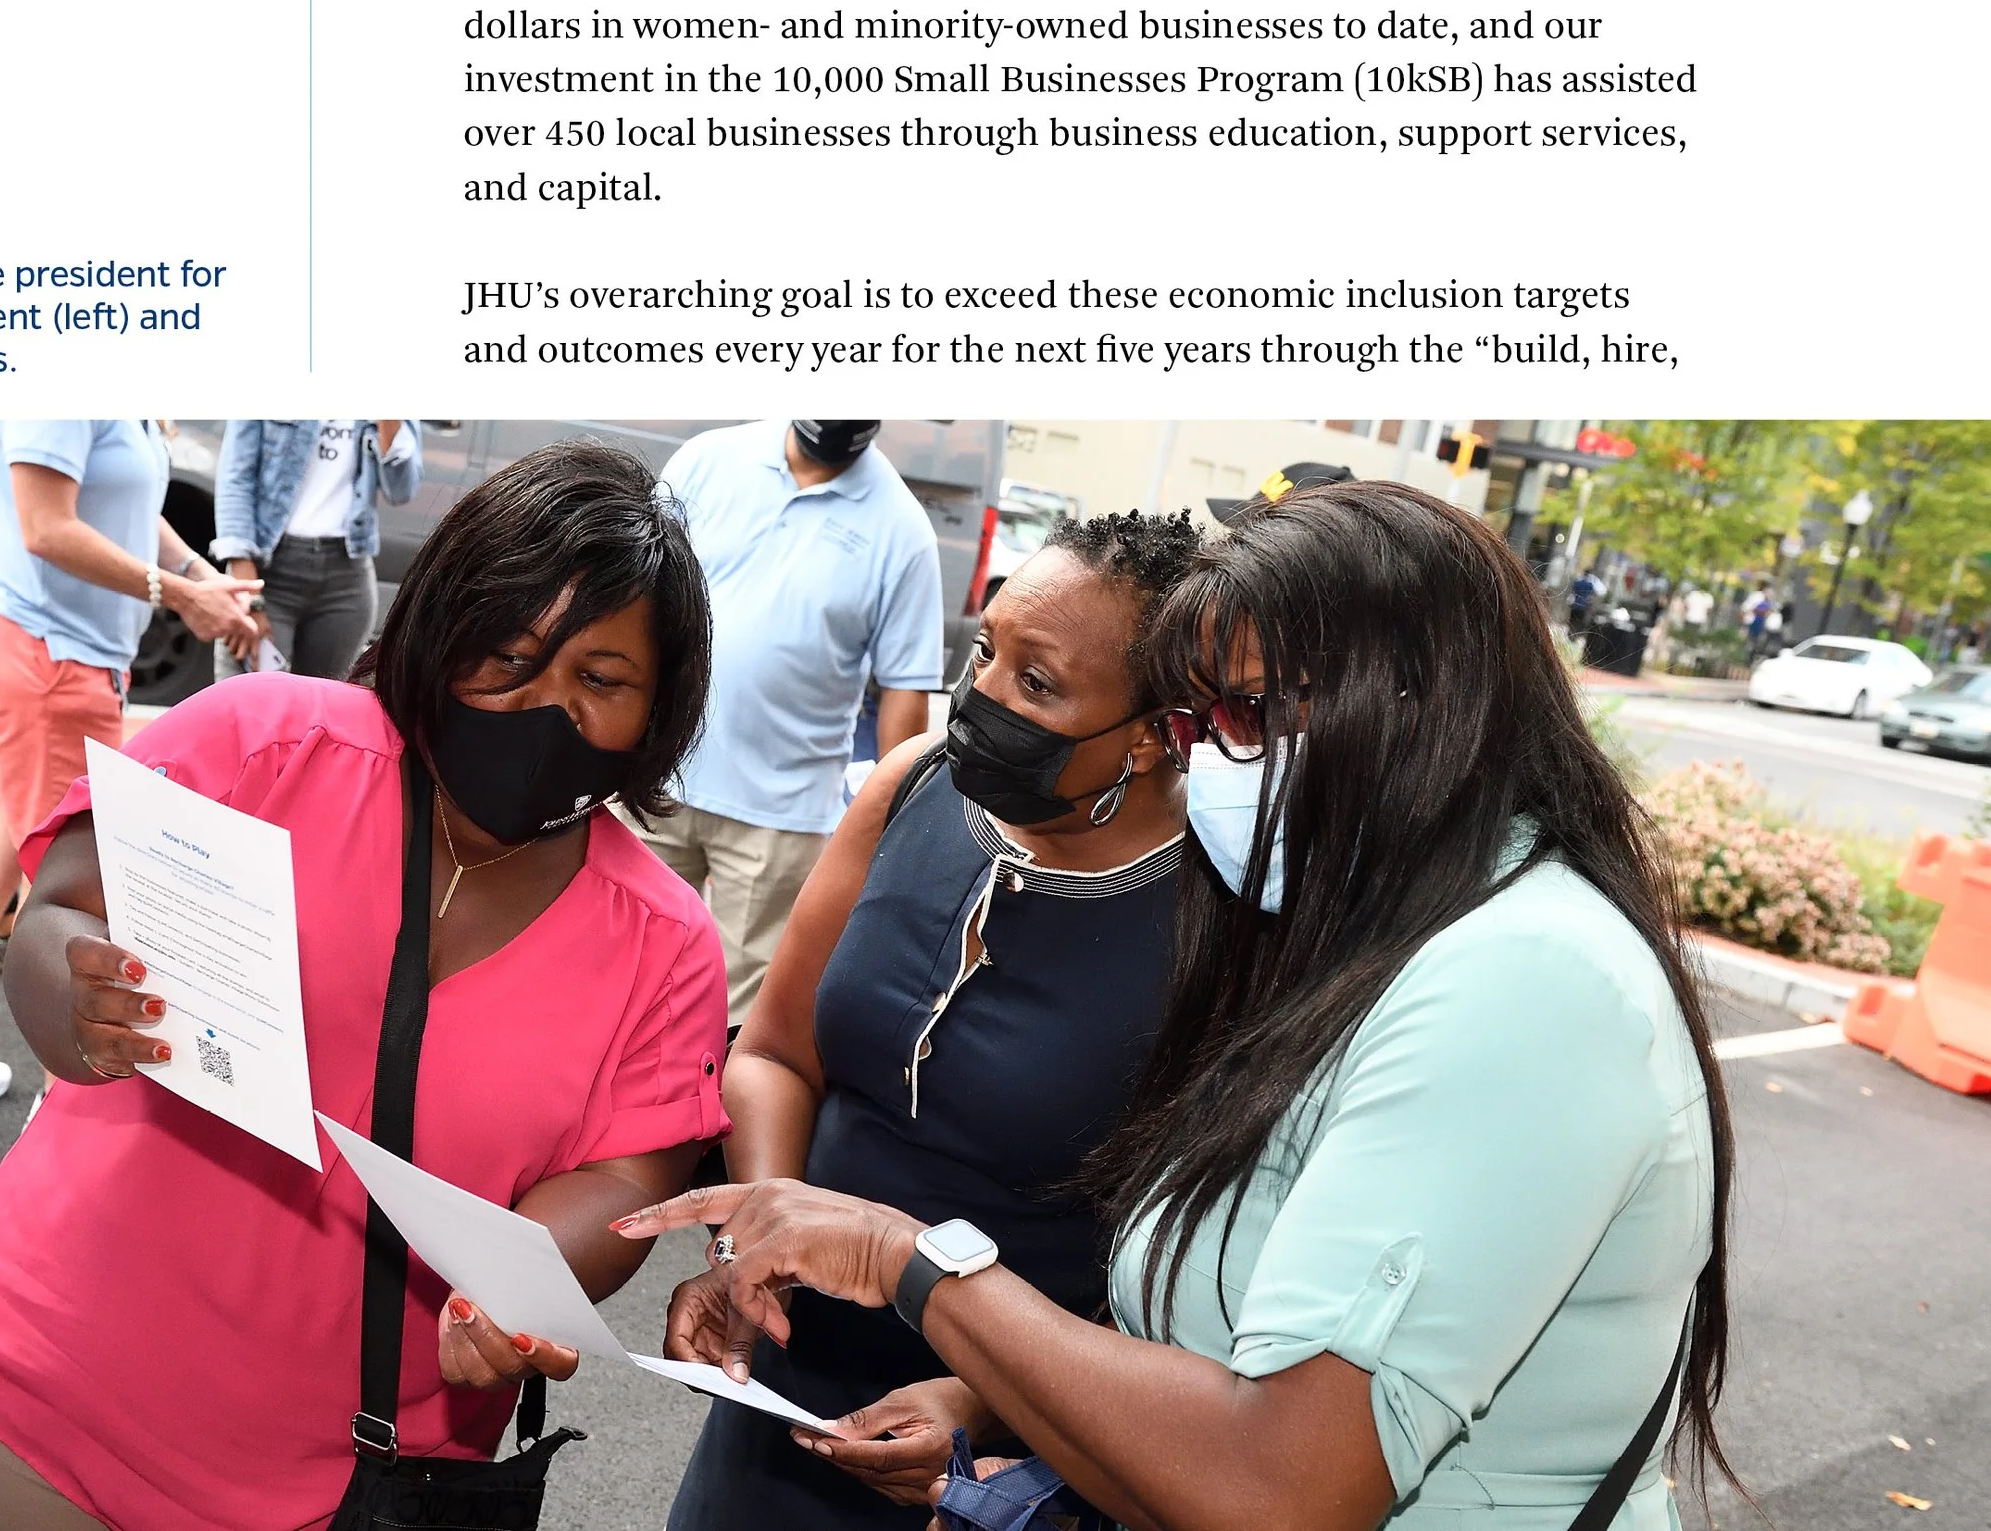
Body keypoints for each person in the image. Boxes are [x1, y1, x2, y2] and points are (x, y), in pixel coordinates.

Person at [619, 477, 1735, 1531]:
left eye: (1244, 716)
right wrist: (997, 1397)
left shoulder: (1520, 984)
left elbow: (1278, 1484)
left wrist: (908, 1262)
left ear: (1417, 710)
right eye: (1199, 722)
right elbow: (1216, 1316)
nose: (1208, 764)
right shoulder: (1381, 932)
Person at [0, 442, 731, 1530]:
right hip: (34, 1419)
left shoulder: (664, 944)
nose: (541, 707)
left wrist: (520, 1289)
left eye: (600, 681)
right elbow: (61, 905)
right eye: (509, 656)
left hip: (352, 1487)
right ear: (442, 628)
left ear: (658, 708)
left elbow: (628, 1177)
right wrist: (75, 997)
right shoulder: (256, 745)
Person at [663, 509, 1205, 1528]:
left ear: (1151, 730)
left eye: (1037, 684)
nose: (982, 698)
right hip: (783, 1373)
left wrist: (993, 1401)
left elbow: (1187, 1265)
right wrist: (759, 1230)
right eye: (986, 650)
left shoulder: (1213, 927)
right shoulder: (909, 783)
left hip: (994, 1445)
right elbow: (775, 1053)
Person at [0, 421, 261, 1118]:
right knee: (66, 884)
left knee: (3, 845)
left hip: (49, 651)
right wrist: (177, 592)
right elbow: (46, 527)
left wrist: (198, 576)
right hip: (46, 656)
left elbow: (128, 498)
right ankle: (63, 1115)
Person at [643, 420, 943, 1024]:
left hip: (781, 820)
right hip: (655, 781)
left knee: (725, 1018)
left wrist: (894, 831)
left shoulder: (903, 528)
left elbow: (904, 695)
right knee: (614, 966)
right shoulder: (707, 460)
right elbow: (631, 597)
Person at [213, 418, 423, 680]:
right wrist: (246, 587)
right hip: (269, 573)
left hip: (345, 577)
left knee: (323, 712)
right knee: (248, 702)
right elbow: (236, 477)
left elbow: (400, 490)